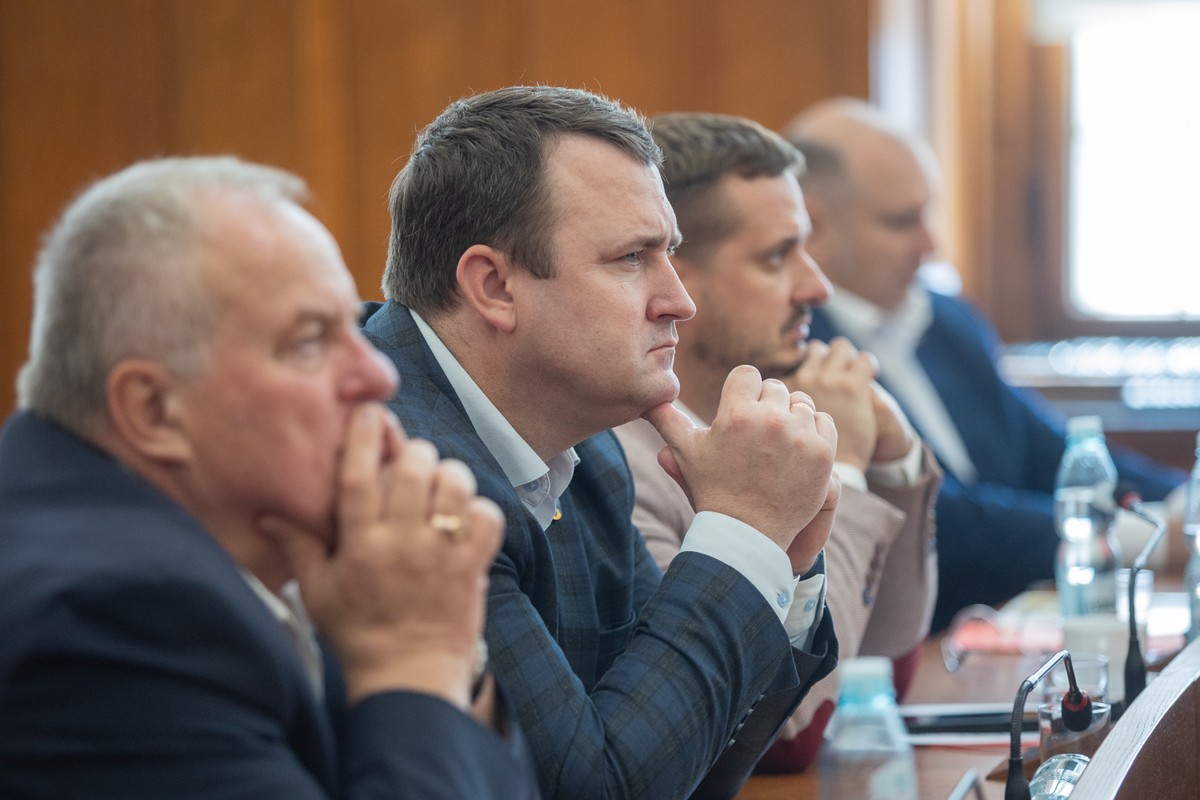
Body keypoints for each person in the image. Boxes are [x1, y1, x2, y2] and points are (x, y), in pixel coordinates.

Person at [0, 157, 539, 799]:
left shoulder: (276, 539)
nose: (378, 375)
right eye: (309, 342)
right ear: (154, 411)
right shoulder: (110, 616)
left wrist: (447, 660)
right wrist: (414, 655)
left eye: (352, 329)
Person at [363, 86, 840, 799]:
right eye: (631, 258)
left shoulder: (586, 451)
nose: (679, 301)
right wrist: (743, 534)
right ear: (494, 286)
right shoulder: (408, 473)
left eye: (670, 253)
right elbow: (595, 789)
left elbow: (688, 769)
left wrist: (781, 559)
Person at [613, 112, 940, 773]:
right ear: (676, 278)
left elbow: (882, 670)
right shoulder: (618, 465)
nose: (816, 287)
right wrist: (846, 468)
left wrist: (897, 464)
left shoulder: (776, 415)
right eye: (776, 257)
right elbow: (789, 730)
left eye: (807, 251)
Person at [785, 97, 1186, 631]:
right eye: (902, 221)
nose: (931, 243)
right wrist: (1141, 534)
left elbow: (1050, 449)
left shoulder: (949, 319)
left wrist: (1184, 498)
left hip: (1023, 620)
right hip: (922, 640)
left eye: (929, 212)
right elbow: (938, 520)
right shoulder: (794, 352)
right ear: (815, 226)